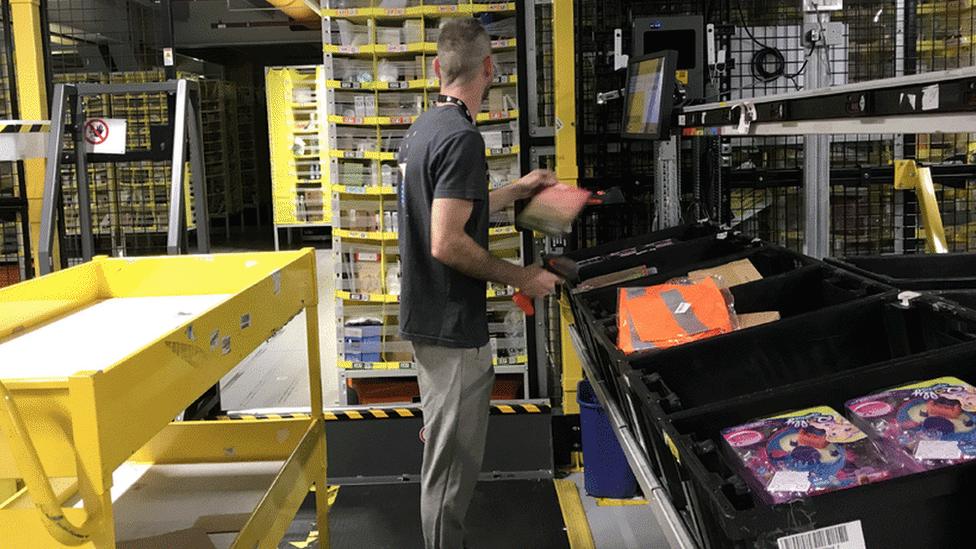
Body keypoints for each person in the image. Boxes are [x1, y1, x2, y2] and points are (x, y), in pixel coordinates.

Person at [396, 17, 561, 549]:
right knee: (450, 469)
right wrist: (524, 277)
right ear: (489, 68)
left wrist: (517, 189)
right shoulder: (463, 138)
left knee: (446, 453)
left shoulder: (424, 128)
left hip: (428, 319)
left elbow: (451, 207)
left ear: (436, 69)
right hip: (452, 326)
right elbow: (447, 241)